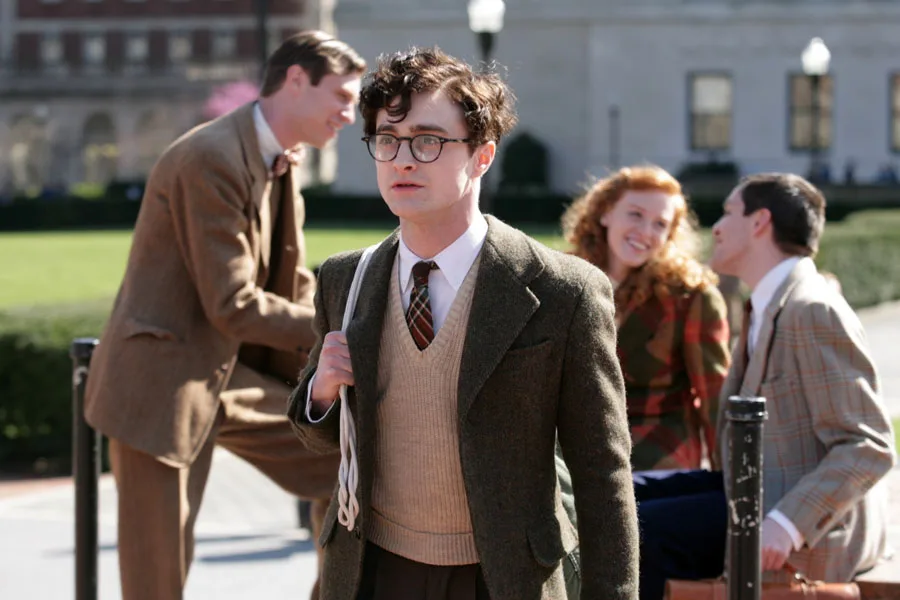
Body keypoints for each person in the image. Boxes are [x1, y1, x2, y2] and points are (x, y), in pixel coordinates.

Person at [286, 47, 638, 600]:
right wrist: (321, 393)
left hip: (503, 576)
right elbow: (318, 434)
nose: (403, 160)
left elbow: (602, 473)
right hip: (373, 570)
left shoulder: (563, 291)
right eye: (387, 140)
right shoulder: (344, 279)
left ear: (482, 156)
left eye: (428, 141)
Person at [83, 31, 366, 600]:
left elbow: (293, 281)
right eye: (341, 96)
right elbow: (233, 304)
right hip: (160, 382)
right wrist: (344, 336)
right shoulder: (210, 156)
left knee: (348, 468)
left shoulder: (283, 160)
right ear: (295, 81)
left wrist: (334, 335)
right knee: (156, 579)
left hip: (228, 375)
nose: (349, 113)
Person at [637, 172, 896, 599]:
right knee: (619, 496)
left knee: (637, 530)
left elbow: (868, 446)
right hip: (755, 491)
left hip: (800, 526)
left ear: (759, 222)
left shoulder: (811, 309)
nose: (716, 228)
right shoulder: (769, 303)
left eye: (728, 213)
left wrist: (787, 524)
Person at [561, 165, 730, 471]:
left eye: (660, 224)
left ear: (670, 235)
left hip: (658, 458)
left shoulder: (690, 297)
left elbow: (714, 399)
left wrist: (727, 481)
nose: (645, 231)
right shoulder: (565, 283)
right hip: (576, 454)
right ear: (605, 213)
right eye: (635, 214)